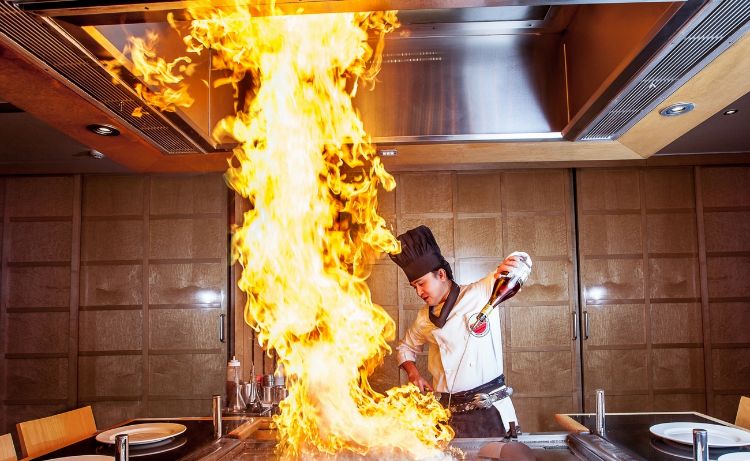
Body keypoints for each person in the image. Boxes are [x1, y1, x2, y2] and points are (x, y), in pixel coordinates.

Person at [390, 225, 532, 439]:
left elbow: (522, 261)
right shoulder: (423, 318)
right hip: (447, 415)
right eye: (414, 287)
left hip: (489, 411)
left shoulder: (481, 292)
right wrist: (414, 373)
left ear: (441, 274)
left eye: (421, 284)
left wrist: (511, 265)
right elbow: (405, 348)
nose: (419, 292)